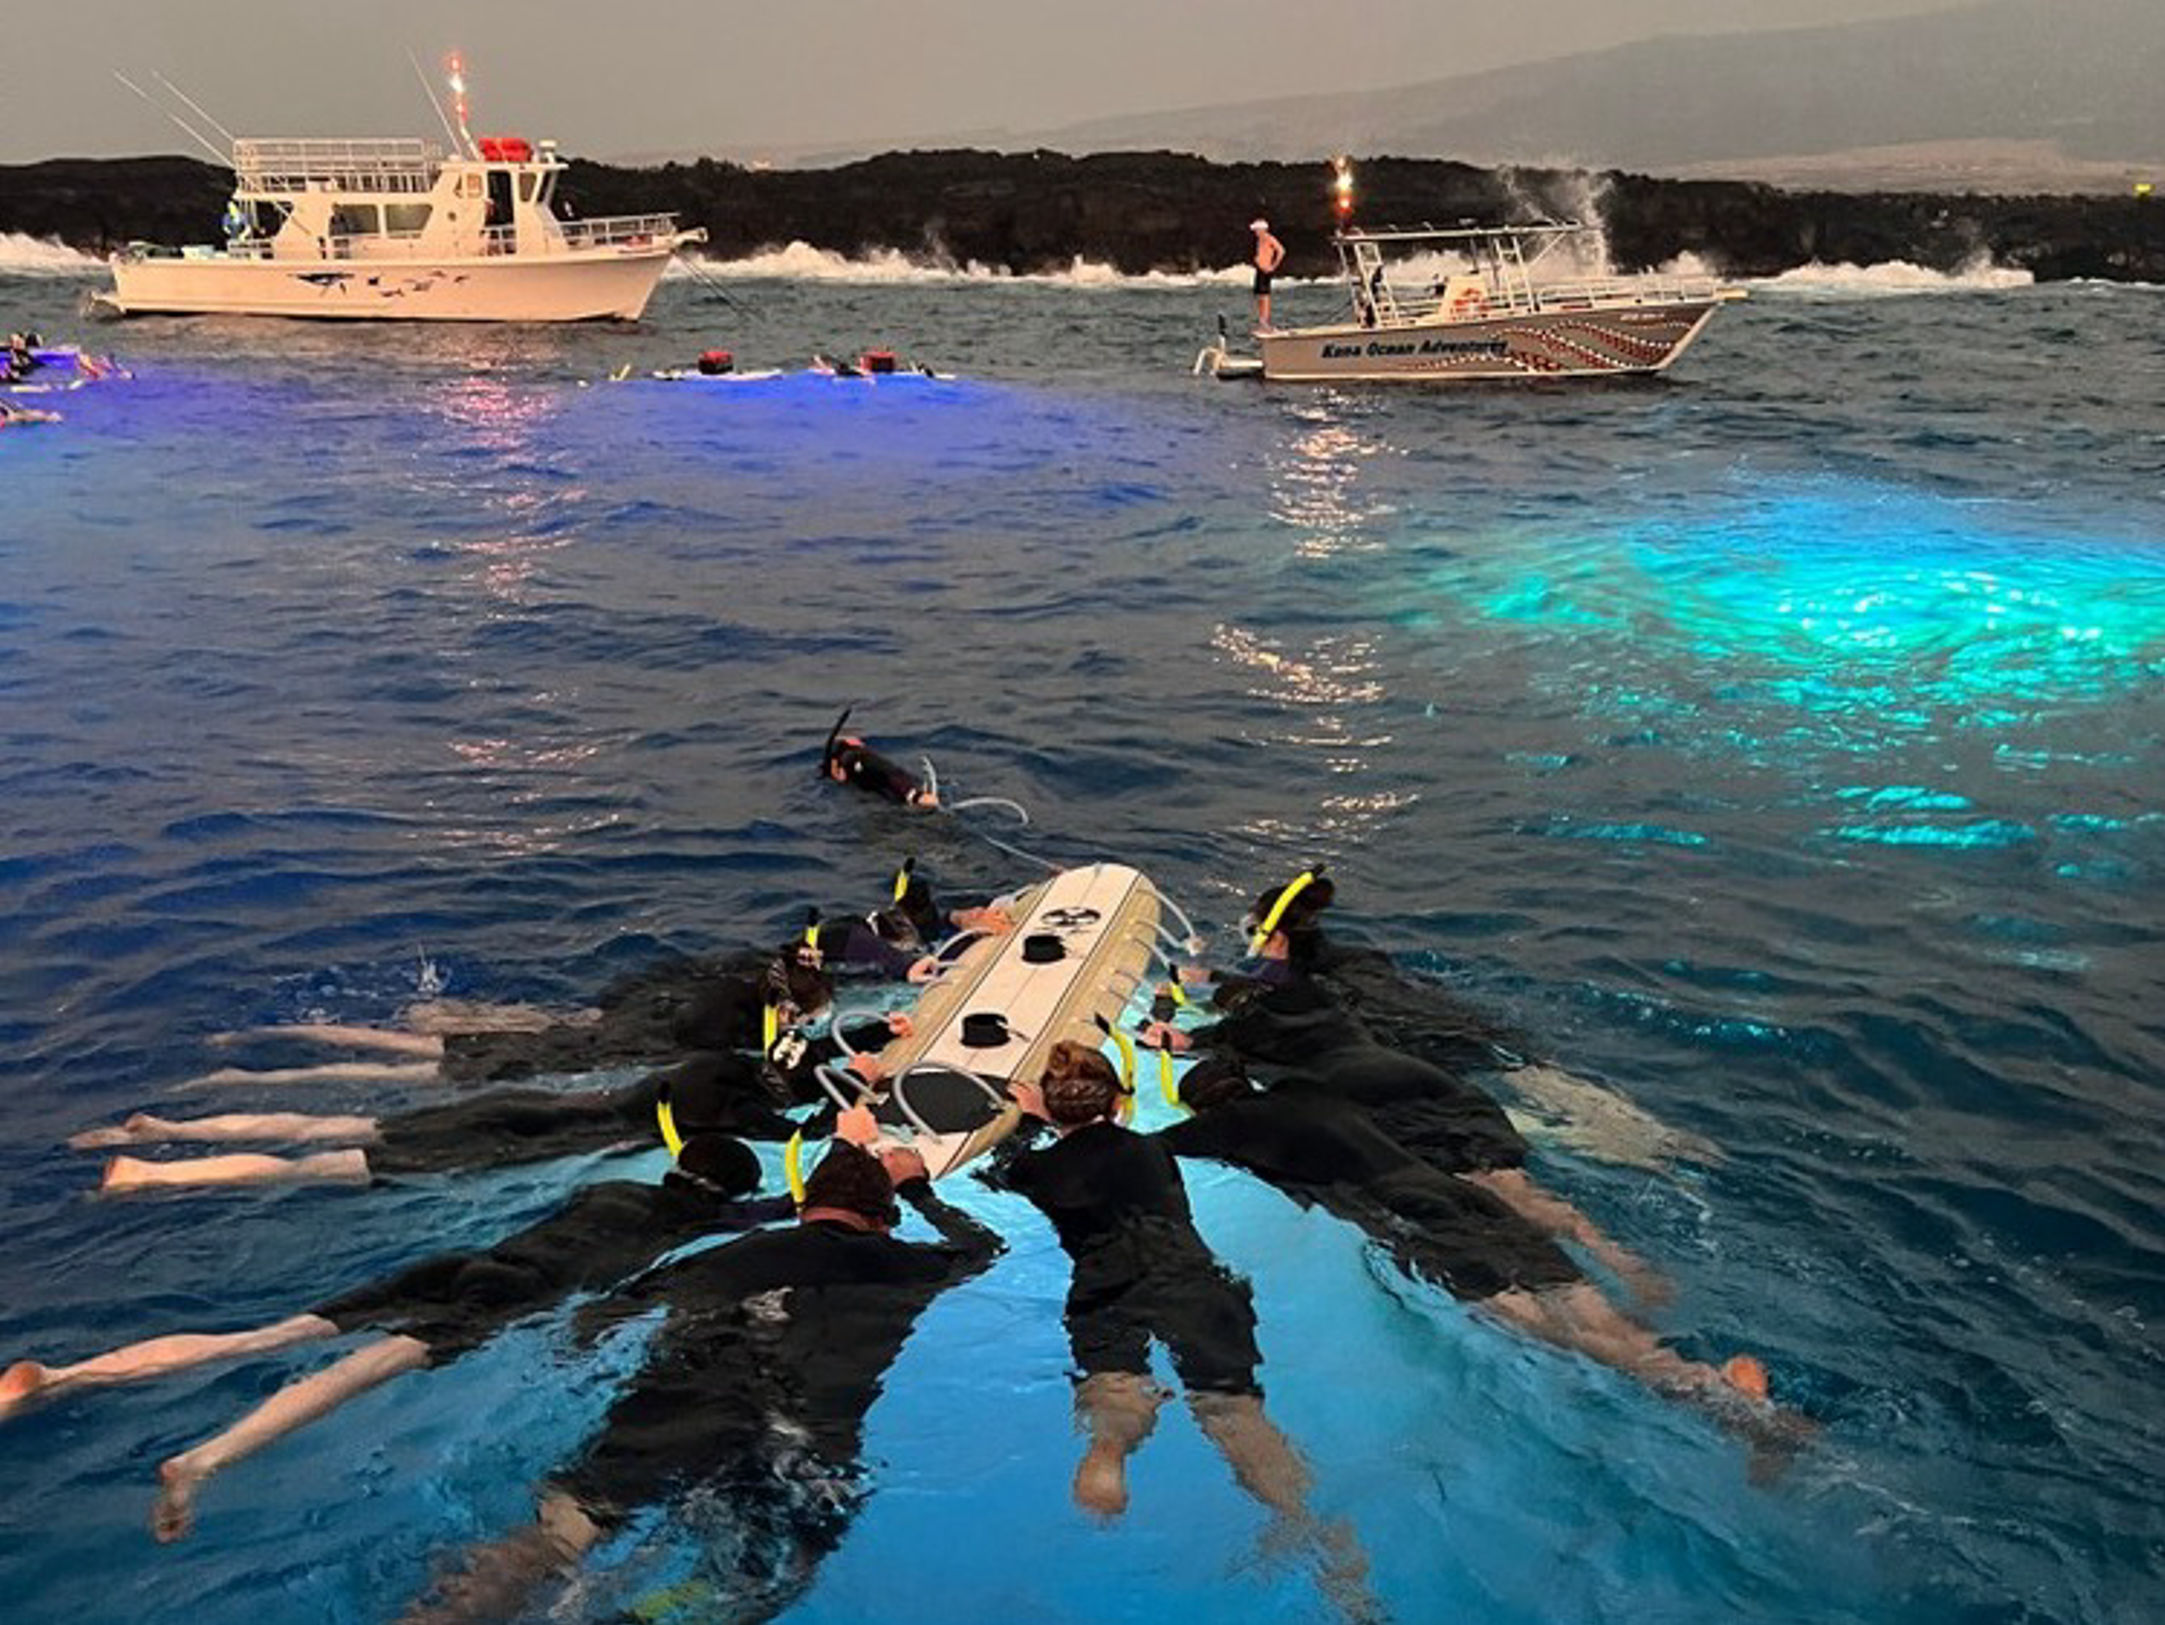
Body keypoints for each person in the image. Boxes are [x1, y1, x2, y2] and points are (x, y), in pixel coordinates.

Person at [1, 1132, 795, 1537]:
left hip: (464, 1260)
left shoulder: (613, 1186)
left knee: (262, 1335)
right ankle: (204, 1459)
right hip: (516, 1293)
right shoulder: (704, 1219)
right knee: (362, 1370)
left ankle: (67, 1374)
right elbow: (786, 1210)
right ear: (725, 1193)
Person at [399, 1114, 999, 1625]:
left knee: (561, 1534)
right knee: (771, 1576)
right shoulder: (911, 1266)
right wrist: (919, 1188)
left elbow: (598, 1318)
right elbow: (984, 1245)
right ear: (882, 1220)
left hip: (680, 1405)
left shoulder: (717, 1257)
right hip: (801, 1435)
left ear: (803, 1211)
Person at [1160, 1055, 1789, 1439]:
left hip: (1419, 1223)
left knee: (1554, 1333)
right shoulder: (1308, 1091)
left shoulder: (1225, 1127)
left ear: (1205, 1107)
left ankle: (1715, 1395)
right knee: (1592, 1313)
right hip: (1463, 1198)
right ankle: (1716, 1381)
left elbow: (1149, 1148)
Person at [984, 1041, 1369, 1617]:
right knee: (1234, 1412)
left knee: (1114, 1387)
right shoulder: (1149, 1150)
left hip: (1105, 1286)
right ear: (1115, 1102)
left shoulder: (1035, 1170)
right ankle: (1315, 1534)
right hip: (1190, 1280)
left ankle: (1108, 1452)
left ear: (1052, 1107)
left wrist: (1025, 1123)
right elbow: (1110, 1141)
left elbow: (997, 1173)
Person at [75, 1045, 817, 1194]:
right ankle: (151, 1173)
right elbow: (789, 1133)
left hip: (517, 1109)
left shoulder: (702, 1064)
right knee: (321, 1169)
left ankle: (156, 1130)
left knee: (334, 1134)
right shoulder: (733, 1106)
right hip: (524, 1140)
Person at [818, 707, 937, 808]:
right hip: (902, 792)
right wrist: (915, 795)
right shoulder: (856, 755)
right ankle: (915, 795)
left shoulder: (849, 770)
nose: (861, 740)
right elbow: (887, 770)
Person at [1250, 219, 1287, 331]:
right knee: (1260, 296)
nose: (1255, 232)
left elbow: (1281, 251)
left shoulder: (1268, 238)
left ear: (1262, 229)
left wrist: (1273, 266)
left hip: (1266, 270)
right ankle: (1262, 321)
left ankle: (1265, 322)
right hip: (1260, 270)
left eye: (1256, 230)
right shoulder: (1259, 240)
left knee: (1265, 296)